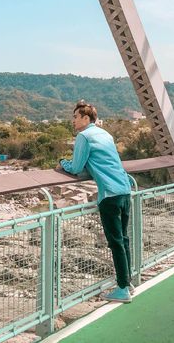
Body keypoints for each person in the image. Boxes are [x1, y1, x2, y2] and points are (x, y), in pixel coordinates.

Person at [57, 100, 133, 303]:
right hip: (125, 189)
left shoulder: (84, 136)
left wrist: (62, 163)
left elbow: (75, 167)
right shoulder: (105, 134)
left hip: (109, 194)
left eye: (75, 117)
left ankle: (123, 289)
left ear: (85, 118)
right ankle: (128, 280)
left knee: (115, 242)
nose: (72, 120)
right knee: (123, 239)